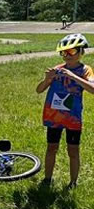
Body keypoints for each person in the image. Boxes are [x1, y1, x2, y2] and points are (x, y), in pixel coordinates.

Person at [35, 33, 94, 189]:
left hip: (73, 119)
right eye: (63, 53)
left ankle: (73, 183)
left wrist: (74, 77)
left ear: (81, 52)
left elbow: (93, 88)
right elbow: (39, 90)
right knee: (51, 148)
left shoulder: (86, 70)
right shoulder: (57, 69)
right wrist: (47, 79)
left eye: (71, 52)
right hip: (54, 117)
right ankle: (47, 179)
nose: (67, 56)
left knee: (73, 151)